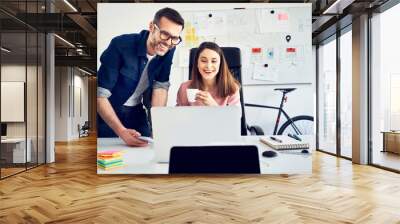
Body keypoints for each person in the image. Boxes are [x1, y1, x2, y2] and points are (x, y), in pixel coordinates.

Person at [97, 8, 184, 146]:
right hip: (109, 112)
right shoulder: (120, 45)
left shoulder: (169, 48)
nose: (168, 42)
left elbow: (160, 87)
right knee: (111, 155)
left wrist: (158, 128)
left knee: (149, 149)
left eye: (174, 38)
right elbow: (100, 95)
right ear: (151, 27)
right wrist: (121, 131)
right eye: (164, 34)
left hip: (136, 112)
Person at [176, 42, 240, 106]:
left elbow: (234, 115)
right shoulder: (184, 88)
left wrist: (213, 105)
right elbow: (180, 114)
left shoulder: (231, 88)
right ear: (197, 63)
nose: (208, 66)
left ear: (220, 64)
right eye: (203, 61)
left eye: (214, 61)